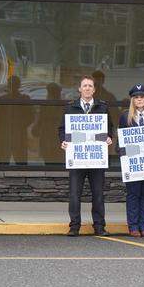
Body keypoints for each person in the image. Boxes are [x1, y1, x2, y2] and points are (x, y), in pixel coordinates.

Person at [60, 75, 113, 236]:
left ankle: (99, 226)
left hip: (96, 159)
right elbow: (62, 129)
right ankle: (74, 226)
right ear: (79, 89)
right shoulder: (70, 108)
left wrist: (110, 137)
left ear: (94, 89)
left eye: (90, 86)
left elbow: (109, 127)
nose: (87, 88)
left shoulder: (102, 107)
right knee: (75, 194)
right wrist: (63, 141)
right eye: (85, 86)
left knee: (98, 193)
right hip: (77, 158)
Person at [119, 84, 144, 237]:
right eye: (136, 97)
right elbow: (121, 142)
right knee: (133, 194)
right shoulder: (125, 116)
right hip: (133, 161)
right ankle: (133, 226)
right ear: (132, 100)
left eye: (142, 97)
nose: (139, 99)